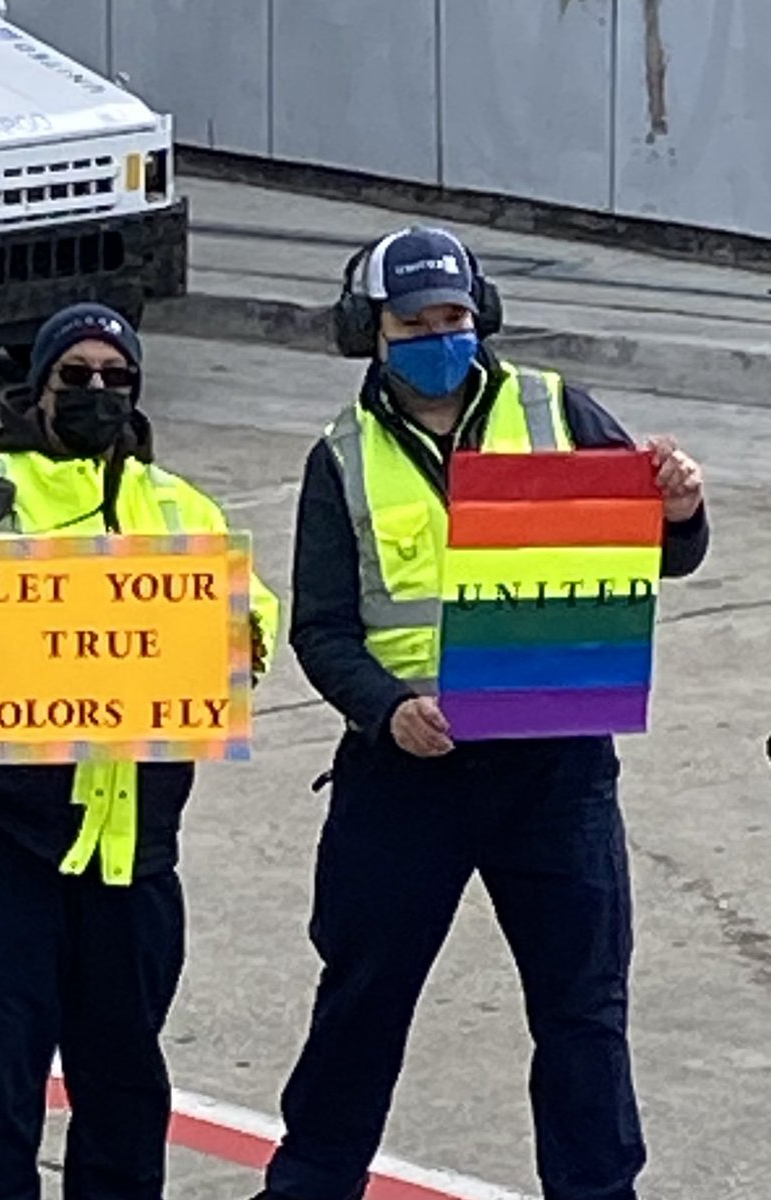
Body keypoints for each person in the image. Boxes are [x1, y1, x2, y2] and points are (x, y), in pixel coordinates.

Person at [255, 229, 708, 1200]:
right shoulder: (342, 456)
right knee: (361, 1004)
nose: (439, 337)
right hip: (408, 775)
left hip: (555, 771)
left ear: (483, 315)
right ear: (366, 332)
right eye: (414, 324)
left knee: (583, 1011)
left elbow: (662, 556)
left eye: (454, 318)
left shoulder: (556, 409)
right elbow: (323, 630)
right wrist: (388, 710)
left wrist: (676, 509)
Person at [0, 302, 279, 1200]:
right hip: (0, 847)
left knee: (125, 1092)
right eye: (74, 375)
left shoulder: (177, 504)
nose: (95, 391)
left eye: (114, 377)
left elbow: (253, 609)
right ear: (38, 385)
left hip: (133, 854)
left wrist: (242, 638)